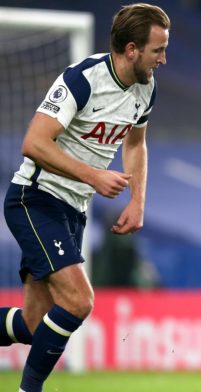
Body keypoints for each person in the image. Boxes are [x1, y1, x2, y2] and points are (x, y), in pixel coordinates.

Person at [1, 4, 169, 391]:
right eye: (157, 50)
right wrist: (94, 175)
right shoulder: (82, 79)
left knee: (31, 324)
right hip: (35, 198)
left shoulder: (146, 88)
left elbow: (136, 142)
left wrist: (138, 201)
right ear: (131, 49)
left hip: (72, 209)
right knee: (79, 301)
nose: (163, 59)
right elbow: (34, 142)